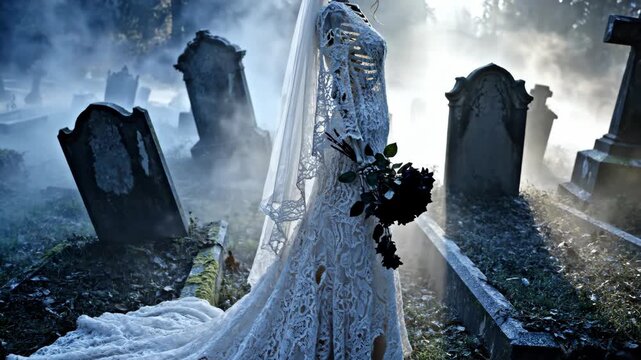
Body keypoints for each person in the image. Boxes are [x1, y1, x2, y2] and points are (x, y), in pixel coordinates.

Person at [10, 0, 411, 358]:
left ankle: (363, 337)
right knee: (340, 247)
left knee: (357, 249)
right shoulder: (332, 15)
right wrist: (362, 162)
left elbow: (363, 90)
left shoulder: (353, 11)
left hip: (369, 158)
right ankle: (343, 337)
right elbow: (336, 98)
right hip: (353, 163)